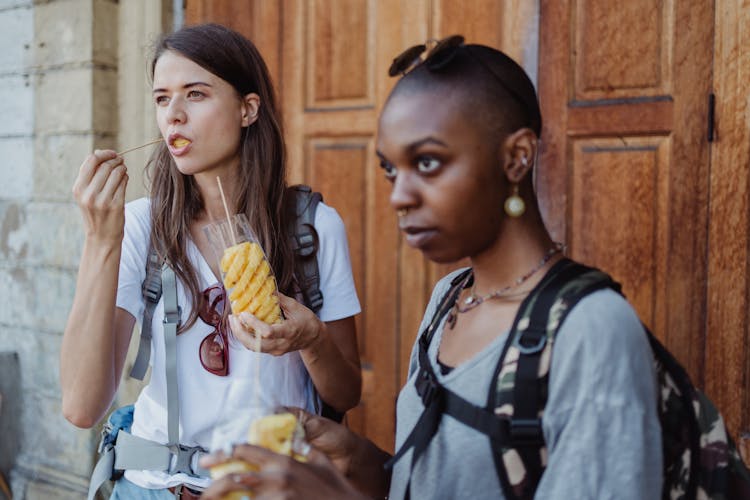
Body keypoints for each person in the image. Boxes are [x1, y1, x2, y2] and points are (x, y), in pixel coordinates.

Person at [200, 35, 662, 499]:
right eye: (390, 170)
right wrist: (355, 460)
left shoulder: (591, 329)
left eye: (427, 162)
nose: (400, 195)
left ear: (517, 157)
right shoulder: (449, 301)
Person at [60, 23, 362, 498]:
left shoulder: (312, 227)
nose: (173, 117)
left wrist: (311, 339)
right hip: (155, 486)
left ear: (248, 109)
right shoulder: (140, 224)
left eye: (195, 95)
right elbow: (81, 406)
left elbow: (346, 395)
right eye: (162, 99)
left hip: (272, 487)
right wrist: (101, 240)